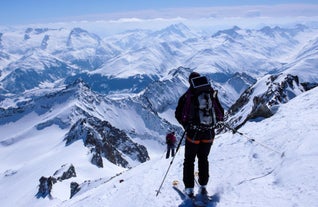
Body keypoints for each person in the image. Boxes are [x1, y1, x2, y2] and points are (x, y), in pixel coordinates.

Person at [175, 72, 224, 198]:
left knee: (189, 161)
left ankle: (189, 189)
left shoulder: (188, 95)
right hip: (209, 133)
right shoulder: (210, 93)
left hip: (193, 134)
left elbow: (178, 114)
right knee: (203, 159)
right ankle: (203, 186)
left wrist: (186, 125)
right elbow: (220, 114)